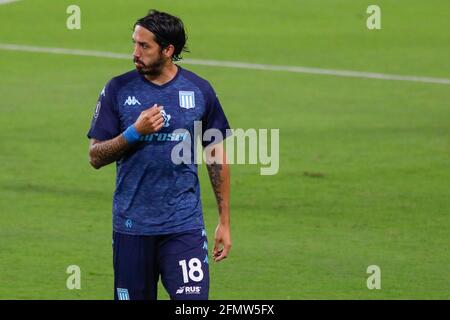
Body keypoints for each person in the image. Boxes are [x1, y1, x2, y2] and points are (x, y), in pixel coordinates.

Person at [87, 9, 231, 300]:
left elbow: (216, 156)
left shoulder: (200, 91)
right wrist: (134, 132)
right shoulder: (117, 89)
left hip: (184, 225)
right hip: (132, 227)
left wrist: (224, 222)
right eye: (134, 43)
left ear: (168, 50)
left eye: (144, 46)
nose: (134, 53)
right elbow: (95, 156)